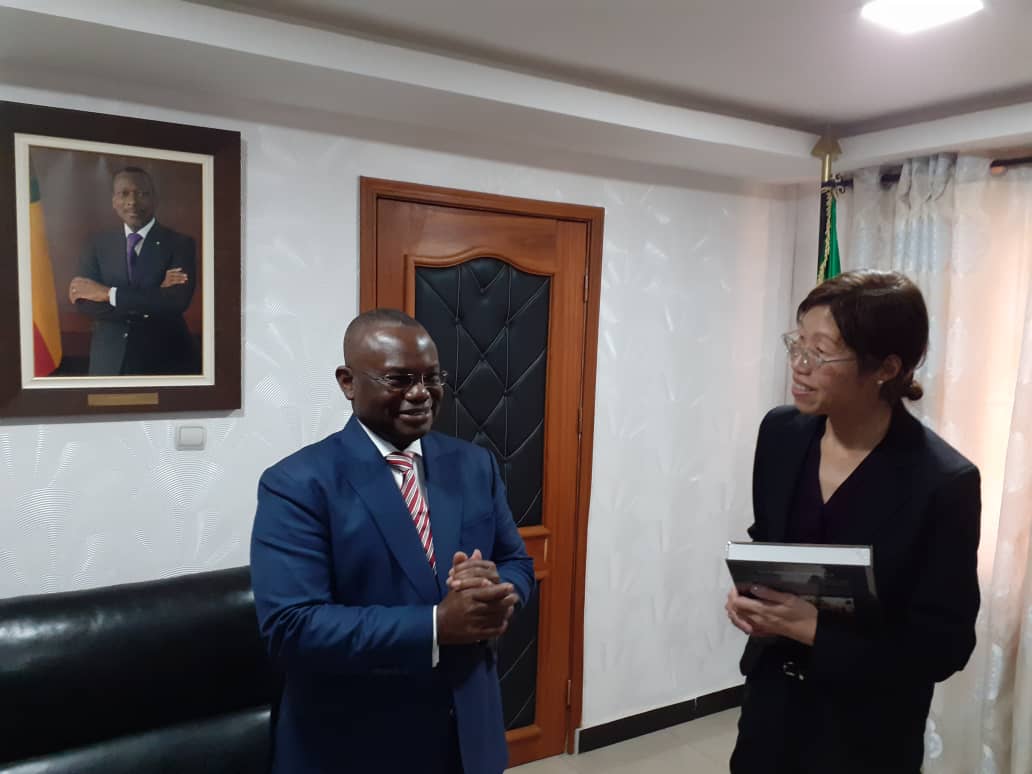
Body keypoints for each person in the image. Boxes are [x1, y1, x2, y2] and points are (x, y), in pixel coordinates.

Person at [250, 309, 534, 774]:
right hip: (356, 745)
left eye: (431, 377)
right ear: (348, 382)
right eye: (399, 379)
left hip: (469, 735)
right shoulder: (297, 484)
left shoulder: (473, 465)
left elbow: (516, 562)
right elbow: (292, 627)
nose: (421, 393)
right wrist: (437, 624)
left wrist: (498, 591)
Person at [725, 270, 981, 774]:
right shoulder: (781, 433)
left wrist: (815, 631)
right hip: (770, 709)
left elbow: (945, 645)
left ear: (886, 367)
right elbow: (768, 542)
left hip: (866, 732)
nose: (799, 365)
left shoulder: (942, 482)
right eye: (798, 343)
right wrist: (749, 596)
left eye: (821, 353)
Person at [68, 166, 199, 375]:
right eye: (124, 194)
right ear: (114, 201)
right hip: (108, 360)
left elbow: (175, 302)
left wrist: (107, 294)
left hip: (165, 360)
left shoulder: (180, 244)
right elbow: (84, 304)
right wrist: (154, 295)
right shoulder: (97, 244)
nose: (132, 202)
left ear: (155, 199)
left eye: (142, 194)